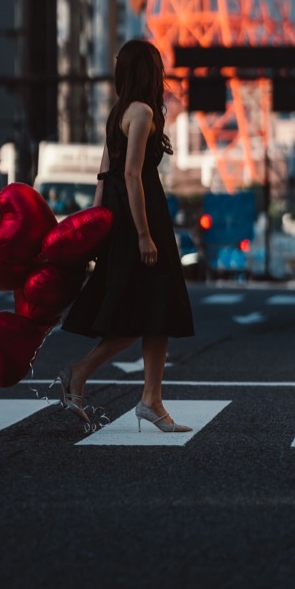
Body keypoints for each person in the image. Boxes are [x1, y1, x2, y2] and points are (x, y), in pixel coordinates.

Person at [58, 38, 195, 433]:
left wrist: (100, 225)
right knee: (146, 312)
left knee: (157, 312)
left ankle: (151, 400)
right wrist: (143, 235)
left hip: (122, 216)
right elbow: (133, 175)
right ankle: (80, 373)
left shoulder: (119, 111)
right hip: (143, 217)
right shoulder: (142, 112)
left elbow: (104, 175)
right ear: (150, 72)